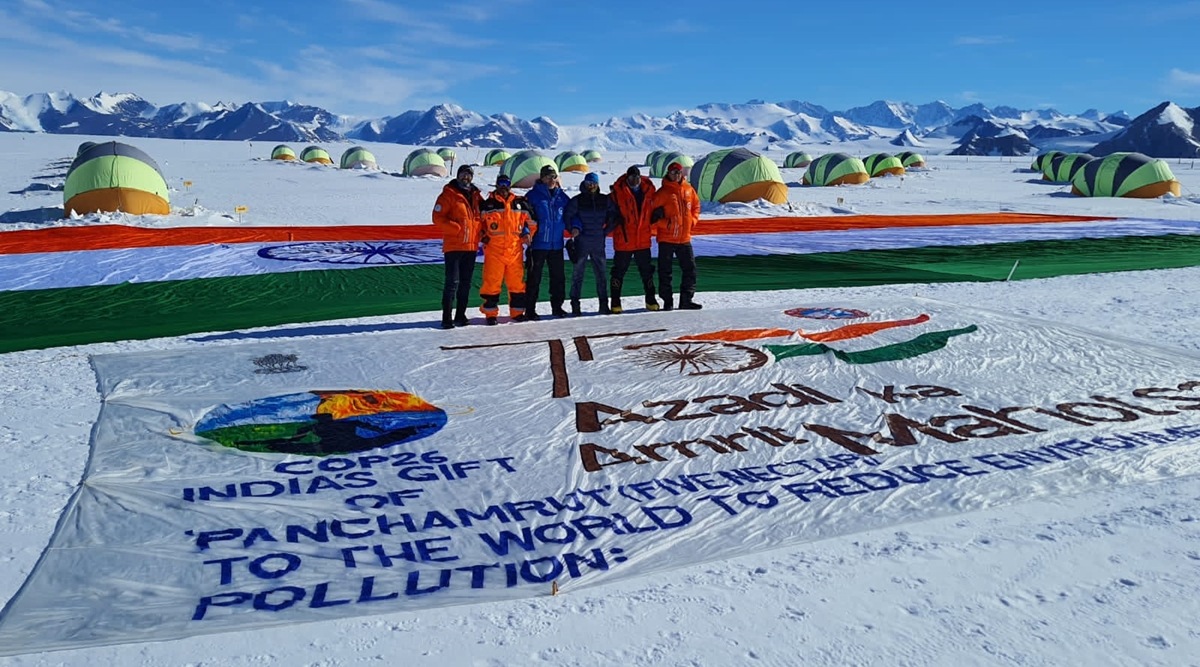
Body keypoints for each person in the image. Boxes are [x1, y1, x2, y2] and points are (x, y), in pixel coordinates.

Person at [478, 174, 536, 325]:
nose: (503, 187)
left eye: (506, 183)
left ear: (510, 186)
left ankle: (517, 313)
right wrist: (482, 235)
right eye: (501, 183)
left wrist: (527, 232)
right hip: (494, 251)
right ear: (496, 185)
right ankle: (490, 314)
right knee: (491, 283)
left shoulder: (520, 203)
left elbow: (532, 222)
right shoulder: (487, 204)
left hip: (515, 251)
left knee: (516, 284)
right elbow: (477, 223)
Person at [431, 164, 484, 328]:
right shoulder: (449, 194)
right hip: (454, 246)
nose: (465, 177)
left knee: (465, 283)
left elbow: (484, 216)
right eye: (463, 174)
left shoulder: (476, 196)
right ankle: (446, 318)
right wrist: (455, 228)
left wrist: (482, 232)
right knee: (452, 283)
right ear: (457, 175)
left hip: (471, 247)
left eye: (468, 175)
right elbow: (437, 217)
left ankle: (461, 315)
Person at [649, 161, 702, 310]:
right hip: (667, 239)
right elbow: (650, 218)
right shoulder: (662, 193)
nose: (676, 175)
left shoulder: (688, 189)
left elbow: (696, 206)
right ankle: (667, 301)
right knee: (665, 272)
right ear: (668, 173)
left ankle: (686, 300)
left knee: (690, 270)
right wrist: (665, 224)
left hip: (684, 239)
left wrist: (692, 221)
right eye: (673, 172)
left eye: (678, 172)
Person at [608, 165, 659, 313]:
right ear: (627, 177)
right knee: (618, 272)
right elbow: (606, 211)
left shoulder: (649, 192)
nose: (634, 180)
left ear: (640, 177)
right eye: (631, 177)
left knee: (647, 272)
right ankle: (615, 301)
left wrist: (657, 215)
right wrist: (612, 218)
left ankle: (651, 299)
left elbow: (658, 206)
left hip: (642, 240)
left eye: (637, 177)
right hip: (624, 240)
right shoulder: (617, 193)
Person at [564, 172, 617, 315]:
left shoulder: (604, 200)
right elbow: (568, 215)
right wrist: (572, 229)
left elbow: (614, 215)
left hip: (598, 242)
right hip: (581, 242)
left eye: (594, 183)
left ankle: (603, 305)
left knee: (601, 276)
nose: (591, 186)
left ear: (598, 184)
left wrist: (606, 231)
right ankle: (575, 306)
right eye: (589, 183)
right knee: (577, 275)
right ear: (584, 184)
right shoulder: (578, 200)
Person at [524, 164, 571, 318]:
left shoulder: (562, 197)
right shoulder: (532, 196)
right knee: (534, 279)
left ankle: (557, 307)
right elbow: (522, 218)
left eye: (554, 177)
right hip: (538, 244)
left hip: (556, 245)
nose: (551, 180)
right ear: (542, 178)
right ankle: (530, 310)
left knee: (558, 278)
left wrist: (576, 227)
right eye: (548, 177)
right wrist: (525, 232)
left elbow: (572, 215)